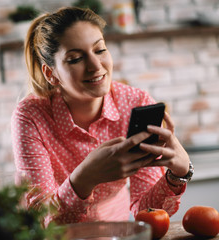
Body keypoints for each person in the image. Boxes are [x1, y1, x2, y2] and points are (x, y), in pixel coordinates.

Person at [11, 7, 192, 226]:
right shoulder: (30, 116)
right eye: (76, 58)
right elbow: (41, 220)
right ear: (51, 74)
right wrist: (84, 178)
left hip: (115, 231)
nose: (96, 66)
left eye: (100, 50)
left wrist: (178, 174)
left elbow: (146, 214)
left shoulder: (136, 103)